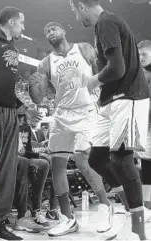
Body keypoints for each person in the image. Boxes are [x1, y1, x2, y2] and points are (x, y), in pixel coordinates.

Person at [29, 21, 118, 237]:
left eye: (53, 28)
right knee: (57, 165)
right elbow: (37, 96)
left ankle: (106, 207)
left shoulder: (84, 48)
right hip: (62, 114)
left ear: (63, 31)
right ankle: (68, 219)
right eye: (47, 31)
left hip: (87, 110)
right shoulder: (44, 63)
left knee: (82, 160)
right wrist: (32, 94)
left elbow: (101, 74)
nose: (50, 32)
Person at [70, 0, 150, 240]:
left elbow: (116, 69)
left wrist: (92, 80)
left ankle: (140, 231)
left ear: (80, 6)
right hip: (110, 101)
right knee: (96, 158)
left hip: (128, 97)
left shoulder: (106, 21)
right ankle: (133, 207)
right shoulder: (102, 27)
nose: (75, 17)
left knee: (122, 160)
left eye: (73, 11)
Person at [0, 6, 25, 240]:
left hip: (9, 113)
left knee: (7, 170)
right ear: (11, 22)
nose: (23, 26)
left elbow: (6, 86)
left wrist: (23, 107)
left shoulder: (12, 47)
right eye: (21, 22)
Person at [13, 113, 50, 232]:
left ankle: (37, 210)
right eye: (20, 119)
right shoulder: (7, 123)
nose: (22, 122)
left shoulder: (25, 127)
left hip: (24, 158)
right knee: (23, 163)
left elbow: (27, 150)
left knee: (44, 164)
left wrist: (39, 154)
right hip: (10, 159)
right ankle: (22, 214)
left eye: (24, 119)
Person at [137, 40, 151, 210]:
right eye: (139, 55)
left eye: (144, 54)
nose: (141, 58)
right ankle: (147, 206)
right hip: (145, 125)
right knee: (147, 165)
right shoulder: (139, 74)